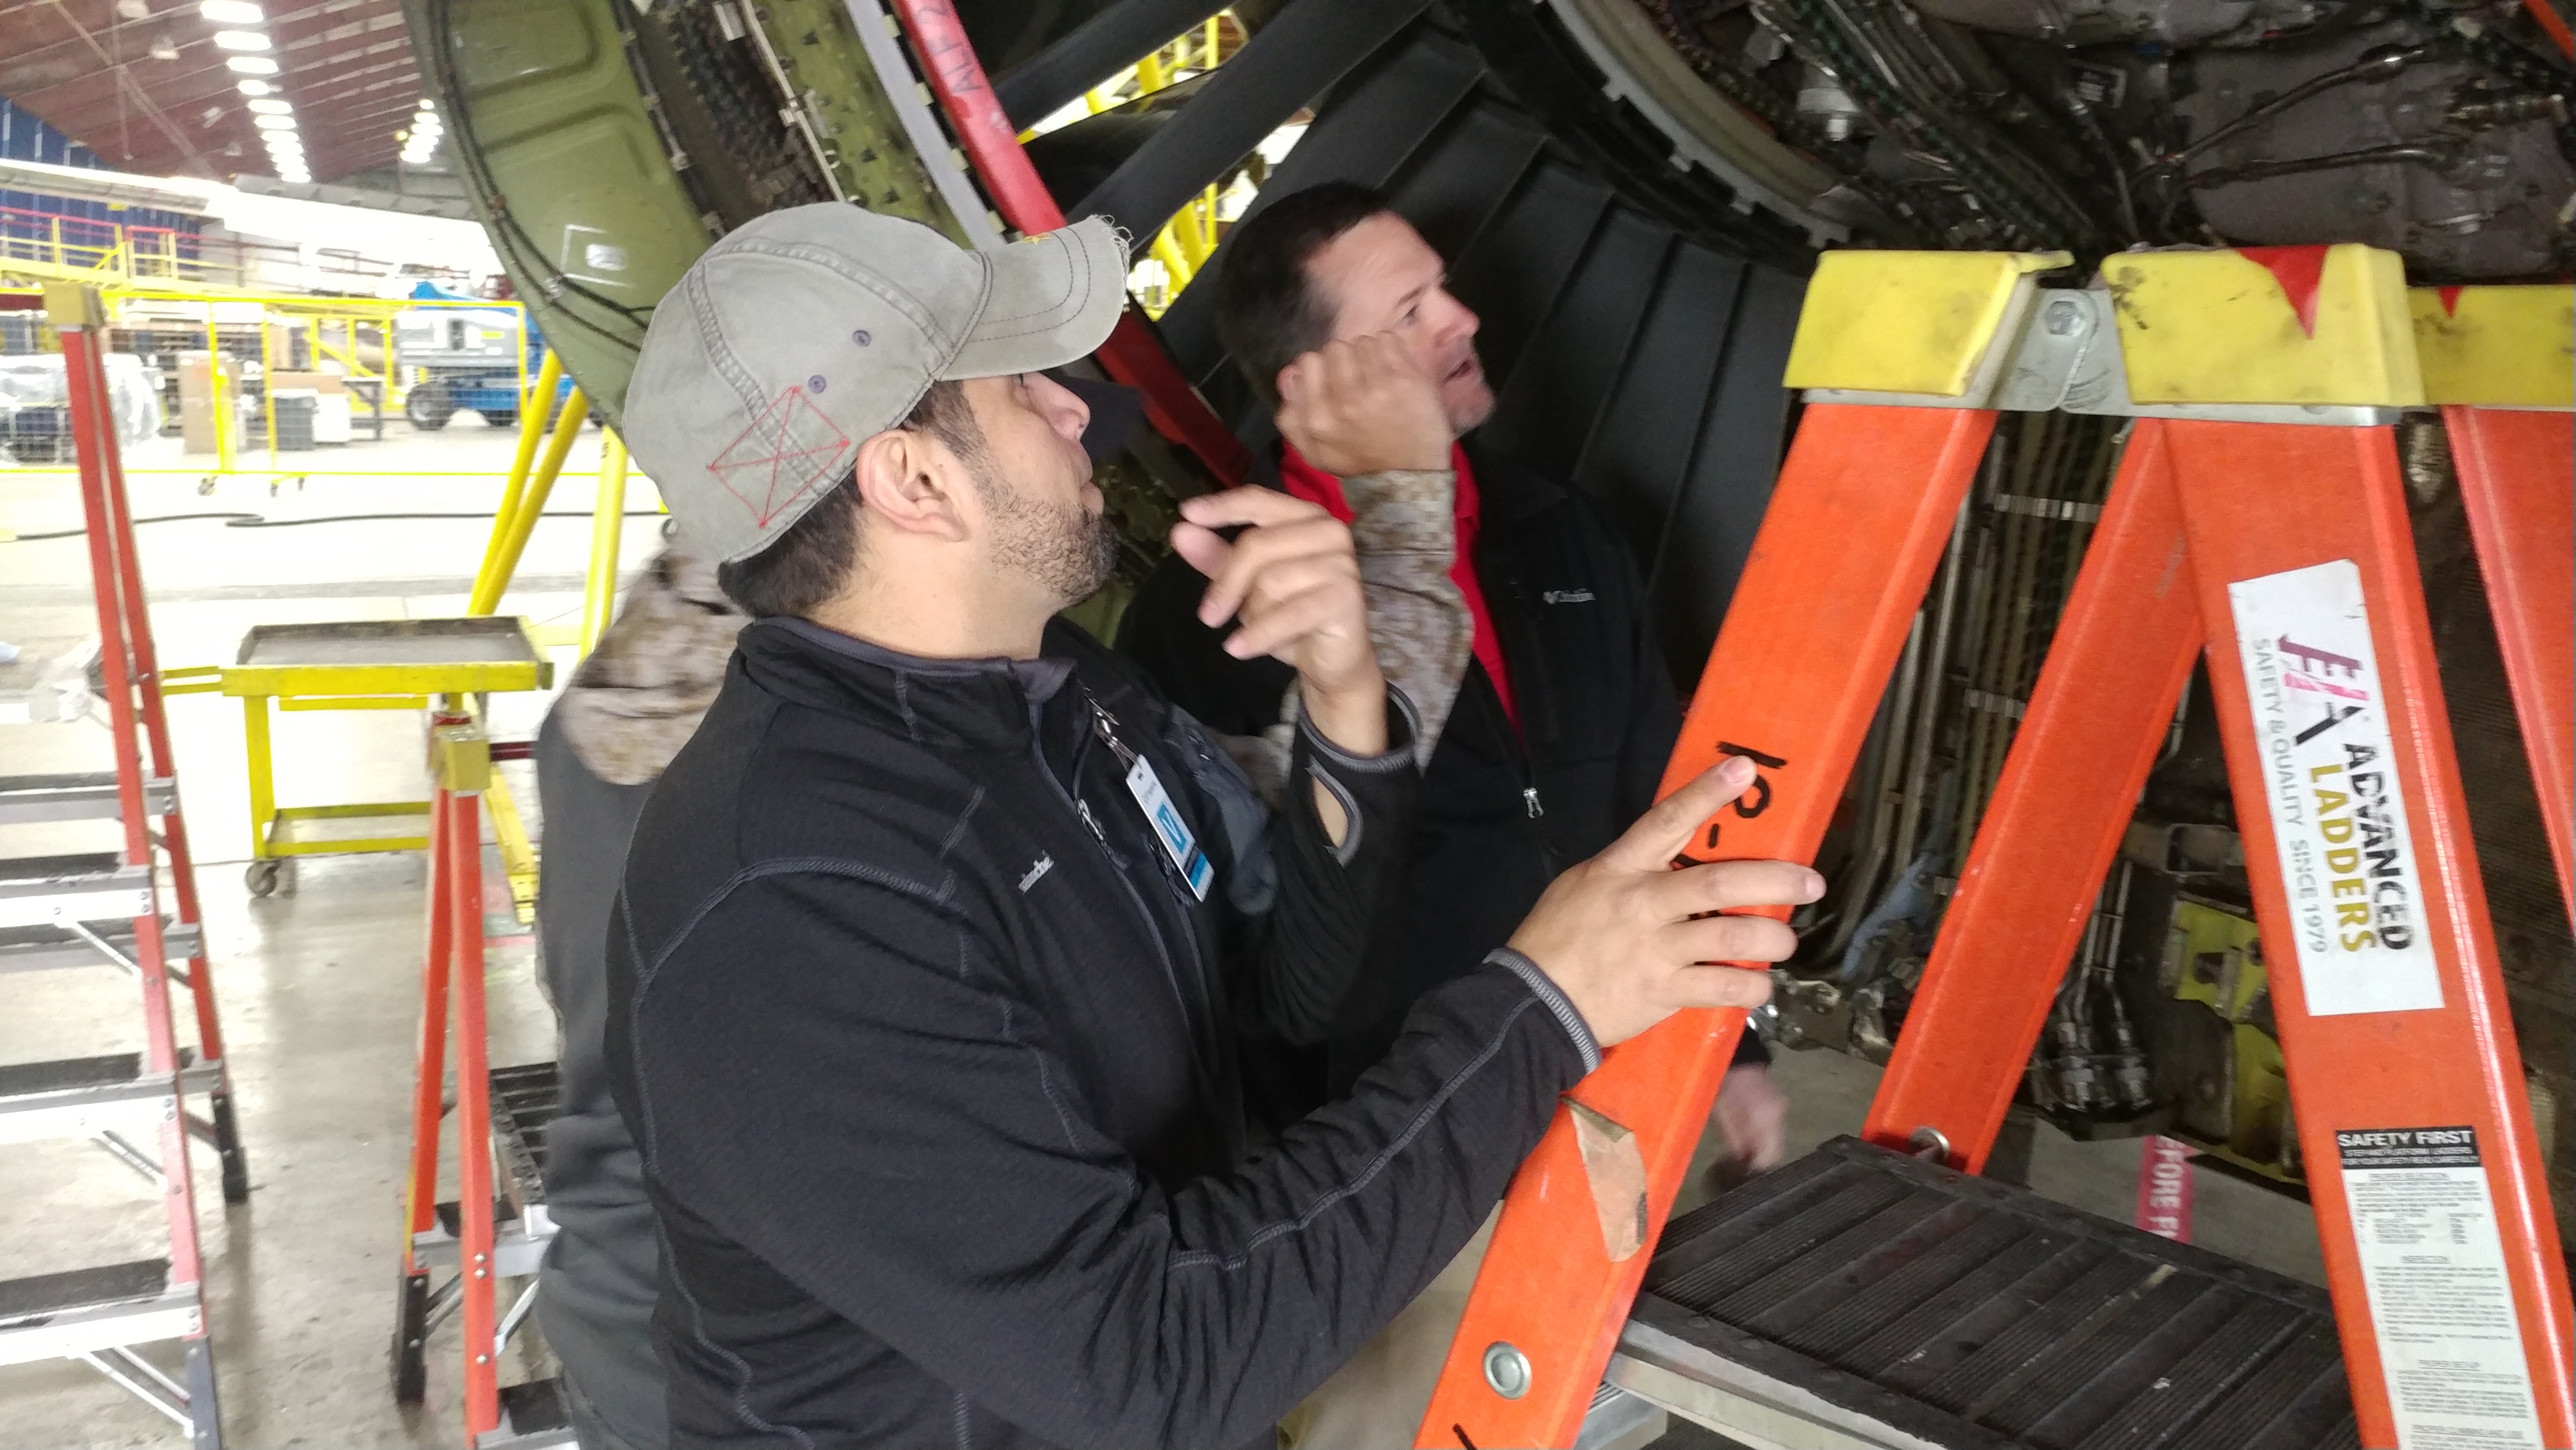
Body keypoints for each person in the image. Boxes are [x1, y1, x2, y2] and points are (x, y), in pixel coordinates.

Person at [604, 201, 1814, 1449]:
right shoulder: (792, 898)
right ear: (914, 481)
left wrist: (1348, 704)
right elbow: (1154, 1363)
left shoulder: (1061, 698)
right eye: (1021, 388)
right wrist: (1543, 1005)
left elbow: (1292, 991)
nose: (1079, 411)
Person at [1116, 185, 1790, 1438]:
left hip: (1626, 1103)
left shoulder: (1562, 530)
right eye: (1412, 309)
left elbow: (1663, 799)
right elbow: (1251, 939)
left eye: (1447, 288)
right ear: (1313, 382)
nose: (1464, 319)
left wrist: (1734, 1044)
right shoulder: (1209, 613)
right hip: (1400, 1175)